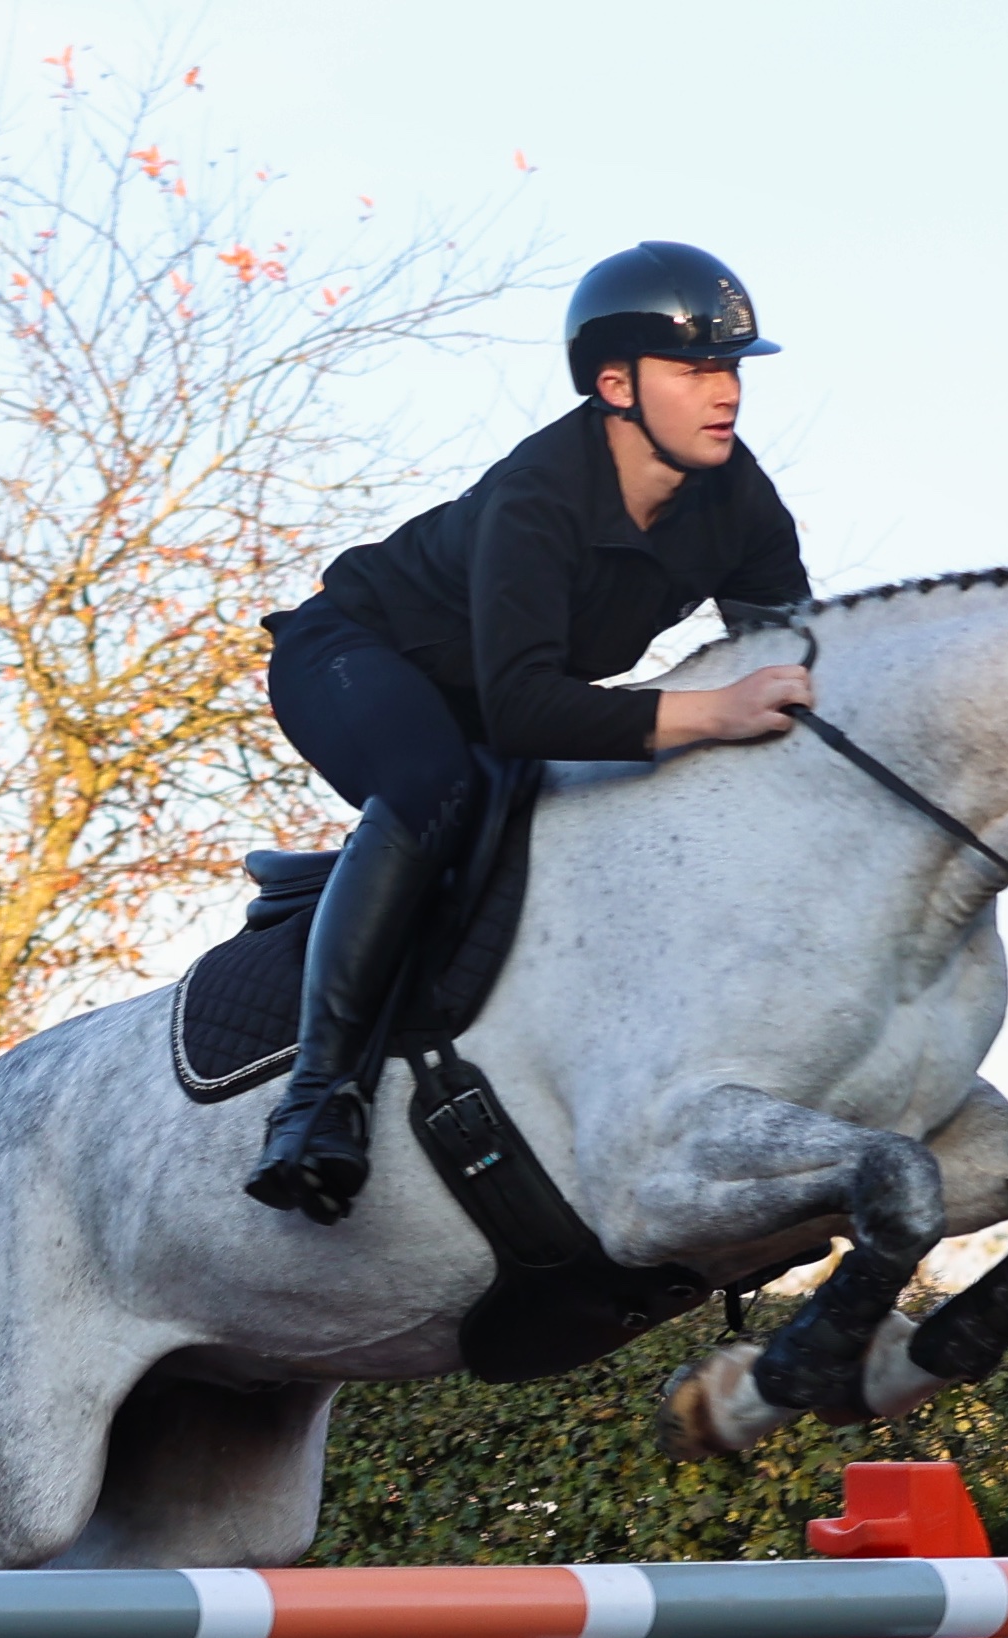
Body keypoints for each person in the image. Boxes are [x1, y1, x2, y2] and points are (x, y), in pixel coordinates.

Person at [243, 241, 820, 1220]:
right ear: (613, 384)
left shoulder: (737, 497)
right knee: (435, 793)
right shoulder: (537, 495)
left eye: (729, 368)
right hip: (349, 656)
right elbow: (523, 708)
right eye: (692, 369)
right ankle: (313, 1101)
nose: (722, 392)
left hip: (481, 699)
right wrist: (713, 711)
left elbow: (795, 658)